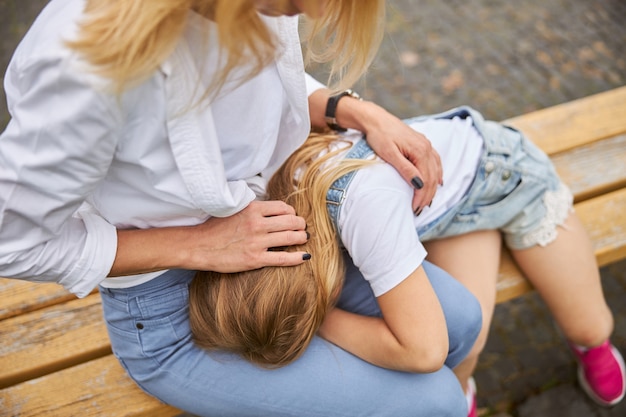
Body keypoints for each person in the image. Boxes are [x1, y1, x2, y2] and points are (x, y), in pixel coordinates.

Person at [0, 0, 480, 415]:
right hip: (170, 314)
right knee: (434, 402)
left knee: (459, 321)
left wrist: (351, 110)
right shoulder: (79, 66)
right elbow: (10, 244)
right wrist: (200, 245)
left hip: (273, 243)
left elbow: (247, 93)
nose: (315, 10)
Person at [190, 106, 626, 416]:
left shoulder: (366, 210)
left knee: (591, 324)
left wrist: (314, 323)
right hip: (439, 210)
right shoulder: (269, 201)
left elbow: (422, 350)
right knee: (469, 340)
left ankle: (590, 344)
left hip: (508, 180)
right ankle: (464, 388)